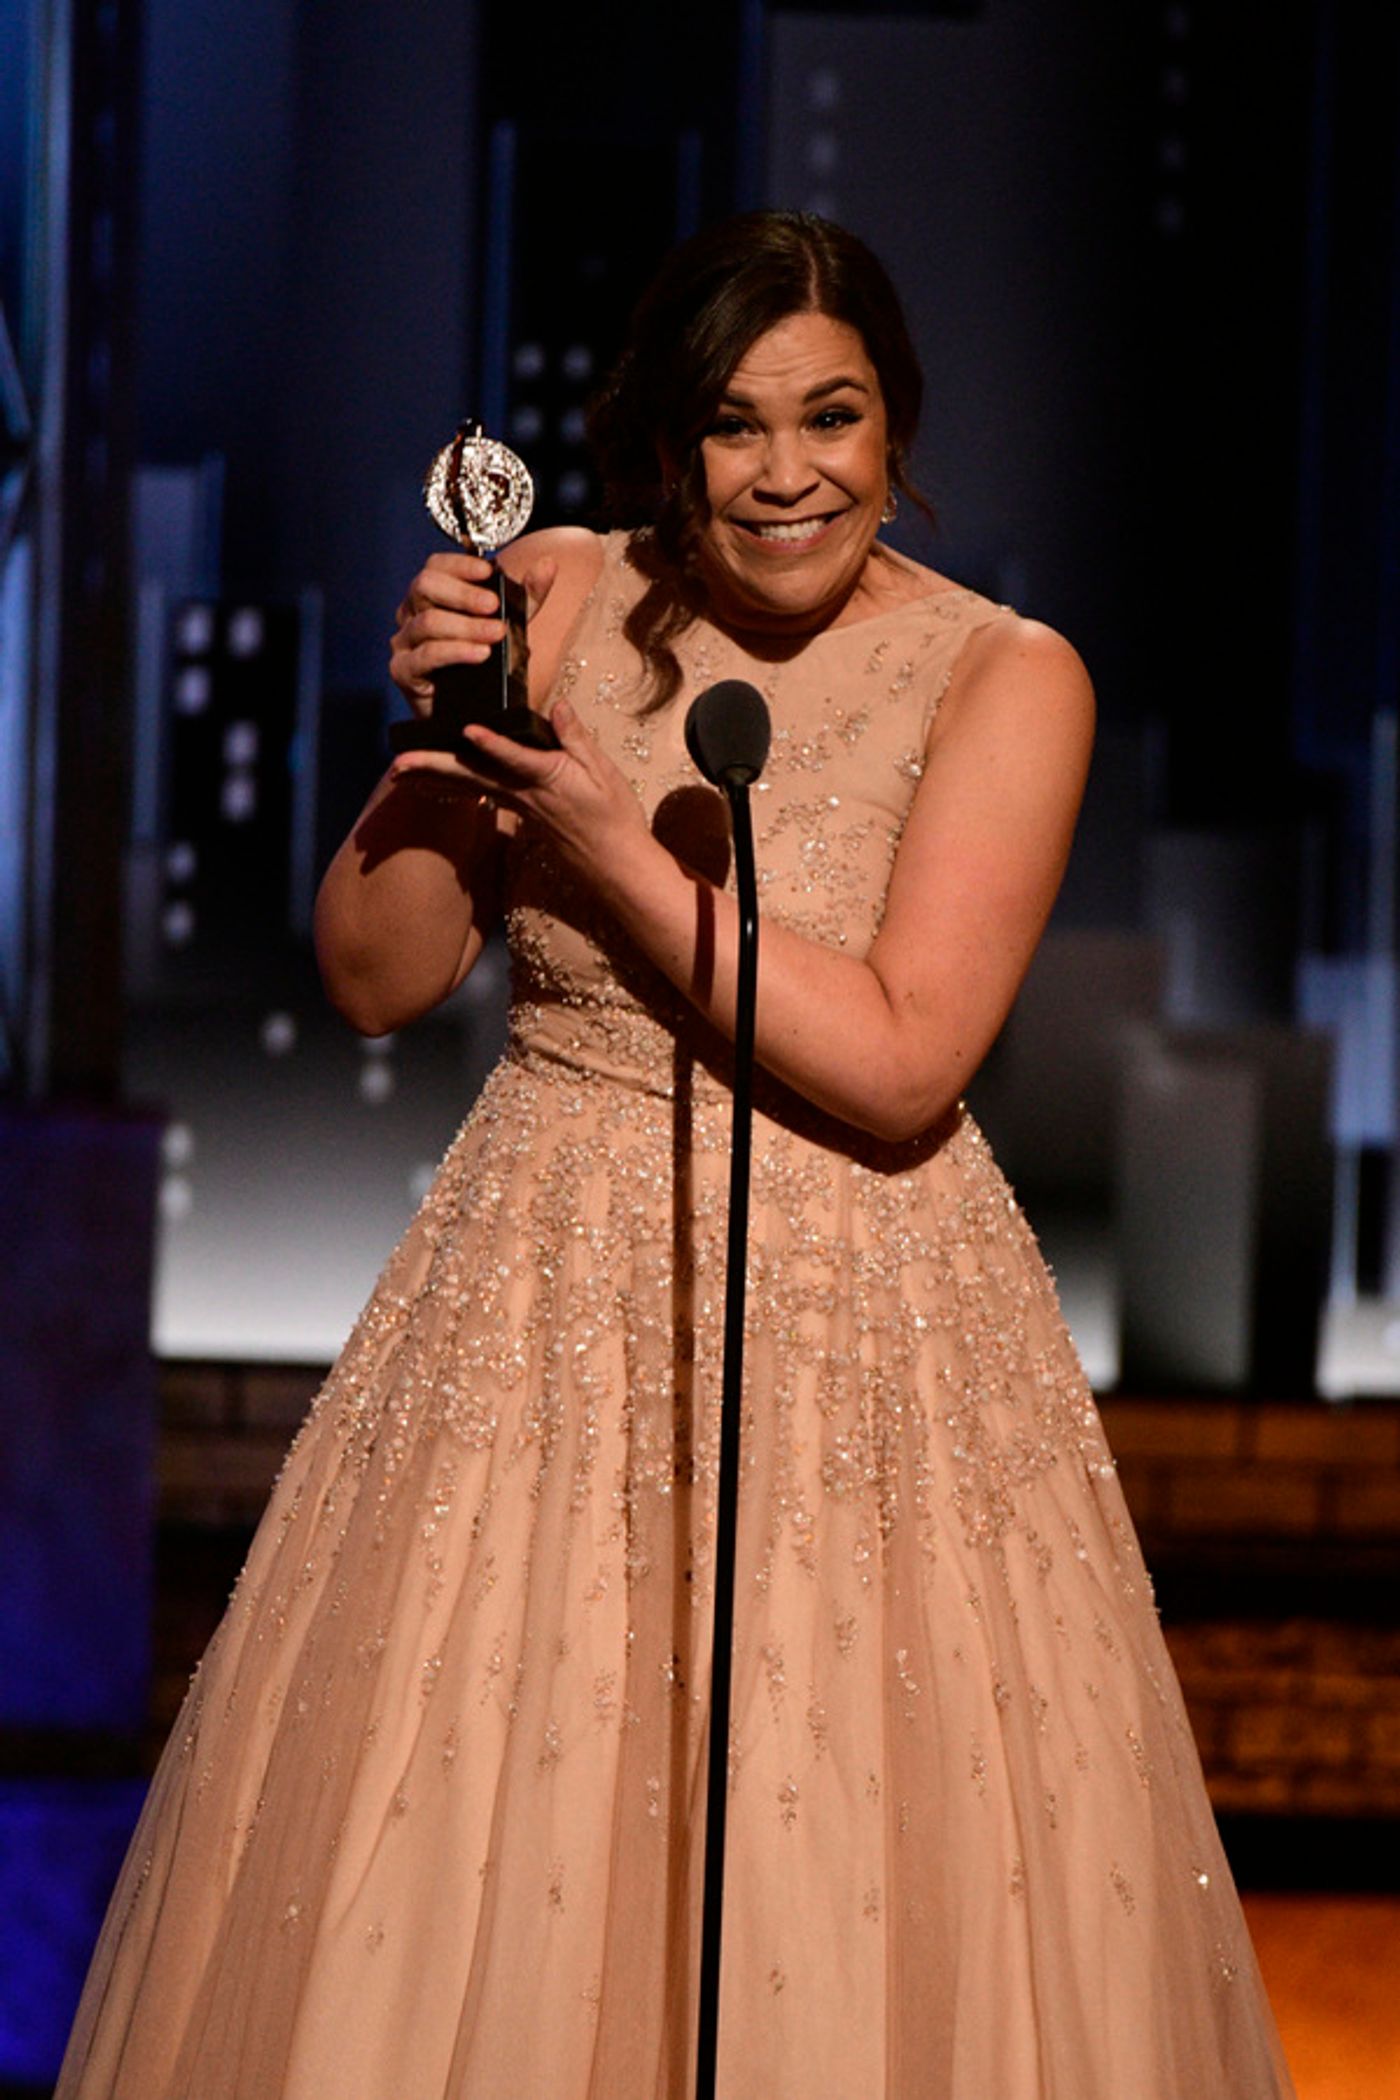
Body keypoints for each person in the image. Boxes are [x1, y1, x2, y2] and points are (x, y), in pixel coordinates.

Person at [59, 211, 1294, 2098]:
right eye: (737, 425)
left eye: (835, 416)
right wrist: (438, 742)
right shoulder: (554, 587)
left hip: (868, 1325)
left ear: (897, 428)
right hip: (531, 1309)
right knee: (490, 1844)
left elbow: (897, 1062)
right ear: (665, 440)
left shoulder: (1006, 675)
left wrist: (619, 842)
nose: (789, 472)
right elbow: (381, 980)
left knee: (840, 1845)